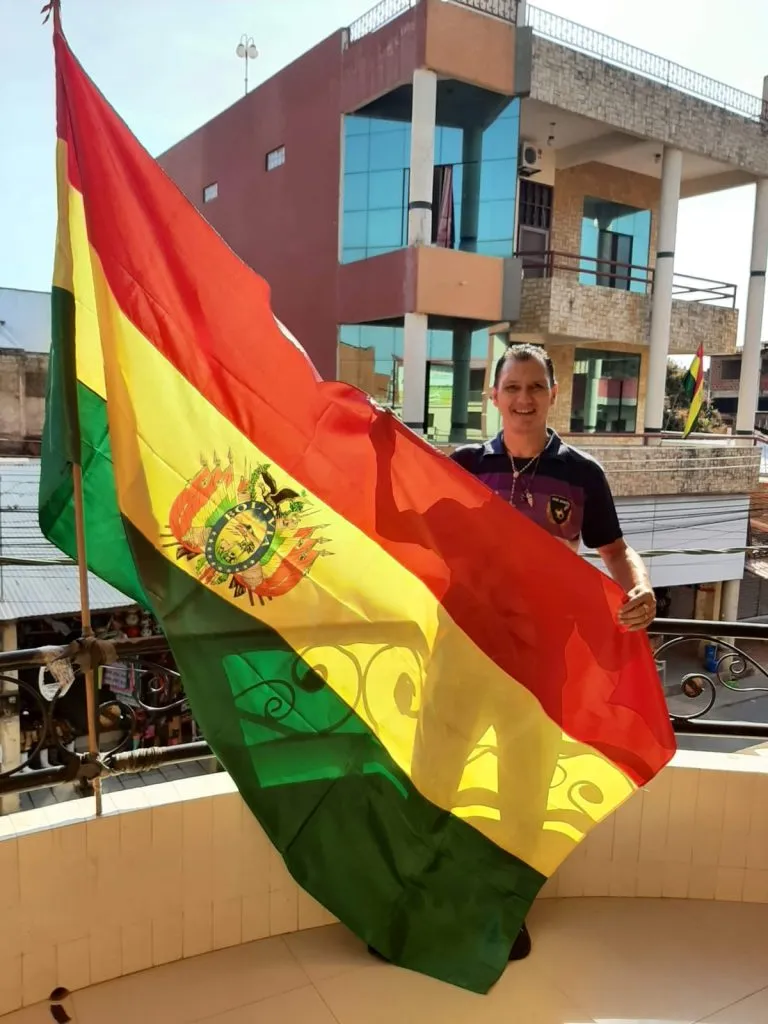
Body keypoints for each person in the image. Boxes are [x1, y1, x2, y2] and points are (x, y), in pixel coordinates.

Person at [445, 342, 656, 961]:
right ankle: (421, 901)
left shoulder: (583, 474)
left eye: (535, 387)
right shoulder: (461, 465)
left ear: (553, 394)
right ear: (494, 397)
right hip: (464, 650)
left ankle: (506, 909)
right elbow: (407, 517)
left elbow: (615, 552)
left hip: (543, 658)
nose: (524, 399)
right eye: (512, 388)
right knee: (436, 777)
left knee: (524, 788)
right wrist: (372, 436)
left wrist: (639, 585)